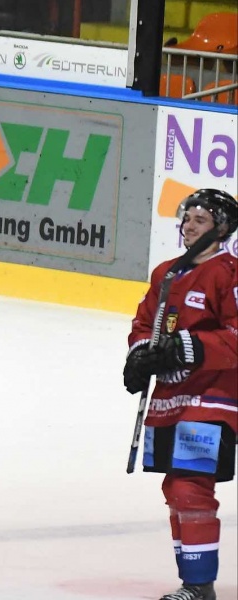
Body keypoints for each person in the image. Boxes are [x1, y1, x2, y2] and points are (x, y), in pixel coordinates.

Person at [123, 189, 237, 600]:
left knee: (191, 487)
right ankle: (193, 582)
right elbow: (144, 323)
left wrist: (188, 347)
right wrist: (139, 356)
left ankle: (198, 585)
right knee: (175, 489)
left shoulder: (230, 272)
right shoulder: (166, 273)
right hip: (171, 398)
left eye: (200, 220)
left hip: (213, 398)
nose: (189, 225)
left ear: (221, 228)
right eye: (187, 217)